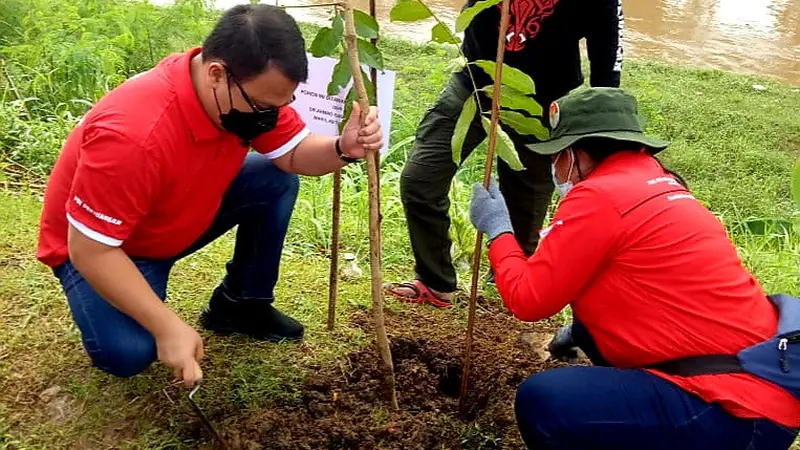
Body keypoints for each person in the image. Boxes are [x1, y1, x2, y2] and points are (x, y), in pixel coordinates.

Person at [35, 4, 384, 387]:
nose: (271, 115)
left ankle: (241, 305)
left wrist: (342, 147)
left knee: (274, 180)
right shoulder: (133, 137)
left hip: (173, 215)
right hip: (112, 246)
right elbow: (90, 248)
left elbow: (293, 153)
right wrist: (168, 326)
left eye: (281, 105)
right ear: (216, 72)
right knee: (129, 352)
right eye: (265, 106)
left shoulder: (243, 94)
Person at [468, 87, 800, 449]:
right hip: (764, 389)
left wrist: (498, 230)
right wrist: (583, 333)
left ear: (577, 154)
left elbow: (527, 299)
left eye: (558, 155)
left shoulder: (599, 196)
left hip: (732, 413)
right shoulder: (659, 183)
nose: (555, 166)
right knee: (587, 329)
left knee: (545, 401)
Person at [384, 0, 625, 307]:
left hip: (540, 98)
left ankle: (507, 290)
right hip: (474, 82)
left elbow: (607, 49)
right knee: (421, 178)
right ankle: (436, 282)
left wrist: (605, 121)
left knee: (524, 203)